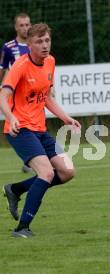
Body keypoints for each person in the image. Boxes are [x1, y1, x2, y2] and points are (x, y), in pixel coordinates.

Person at [0, 23, 81, 238]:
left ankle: (15, 189)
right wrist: (11, 117)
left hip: (40, 130)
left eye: (47, 40)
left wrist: (65, 118)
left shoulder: (51, 61)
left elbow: (46, 97)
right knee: (46, 172)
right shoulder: (20, 66)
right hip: (19, 130)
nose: (45, 45)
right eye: (39, 41)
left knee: (67, 172)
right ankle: (22, 228)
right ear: (29, 45)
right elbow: (2, 96)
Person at [0, 13, 34, 174]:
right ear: (16, 27)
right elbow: (2, 68)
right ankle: (30, 158)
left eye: (27, 25)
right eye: (22, 25)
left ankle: (32, 158)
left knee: (35, 123)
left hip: (32, 93)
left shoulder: (34, 45)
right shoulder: (9, 47)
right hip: (15, 94)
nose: (25, 28)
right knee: (18, 124)